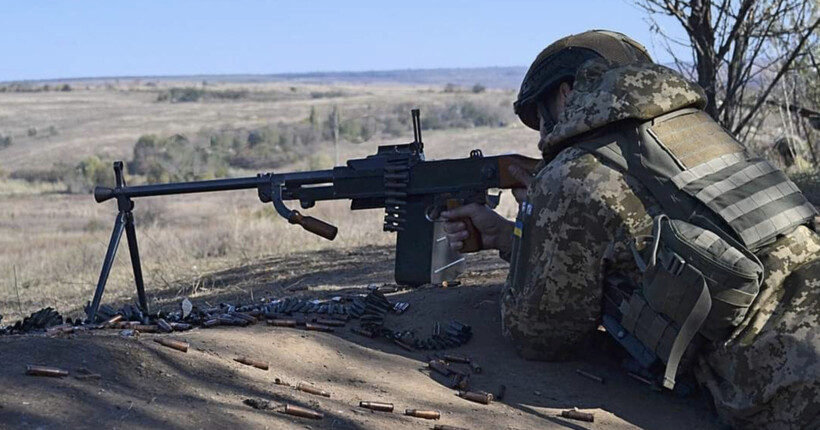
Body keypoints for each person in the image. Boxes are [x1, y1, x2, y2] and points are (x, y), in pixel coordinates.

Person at [442, 30, 820, 429]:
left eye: (541, 117)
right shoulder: (706, 135)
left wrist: (542, 222)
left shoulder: (573, 172)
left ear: (568, 95)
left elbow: (538, 334)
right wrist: (512, 238)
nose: (541, 137)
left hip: (792, 390)